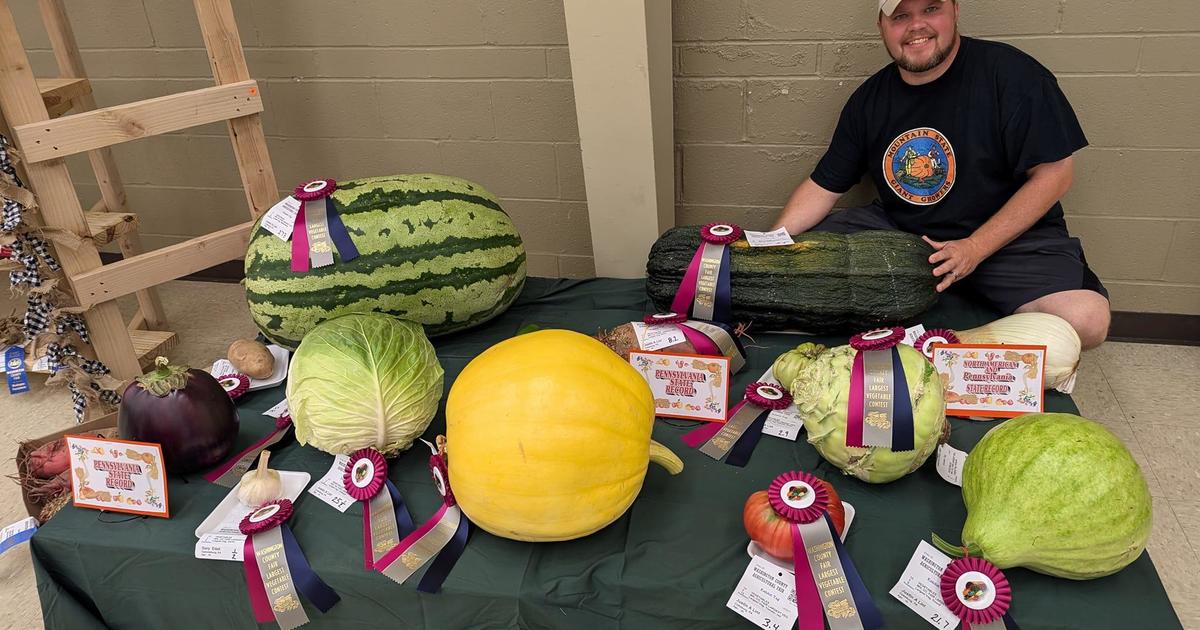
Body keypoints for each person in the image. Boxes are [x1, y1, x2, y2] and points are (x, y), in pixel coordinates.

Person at [772, 0, 1110, 349]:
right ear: (882, 26)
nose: (916, 26)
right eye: (901, 16)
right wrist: (766, 246)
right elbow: (823, 187)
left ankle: (948, 346)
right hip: (905, 239)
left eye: (931, 8)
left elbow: (1055, 176)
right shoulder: (869, 100)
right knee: (796, 271)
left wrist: (974, 248)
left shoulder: (1013, 75)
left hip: (1006, 241)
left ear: (955, 11)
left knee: (1086, 321)